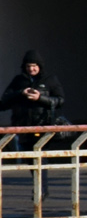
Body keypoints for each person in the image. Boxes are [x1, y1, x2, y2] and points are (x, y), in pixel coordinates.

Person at [2, 50, 66, 196]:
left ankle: (41, 189)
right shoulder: (19, 81)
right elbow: (4, 101)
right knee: (30, 158)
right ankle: (39, 186)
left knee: (40, 157)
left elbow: (60, 100)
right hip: (23, 126)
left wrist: (40, 98)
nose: (31, 69)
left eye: (34, 66)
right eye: (28, 66)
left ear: (40, 66)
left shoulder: (50, 80)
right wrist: (20, 93)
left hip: (42, 125)